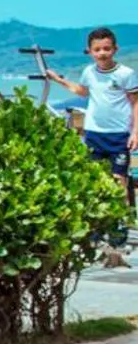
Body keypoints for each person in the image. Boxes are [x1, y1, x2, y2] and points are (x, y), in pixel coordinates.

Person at [48, 27, 138, 222]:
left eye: (106, 48)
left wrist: (135, 132)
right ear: (89, 51)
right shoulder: (88, 71)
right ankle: (96, 223)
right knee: (93, 178)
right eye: (97, 50)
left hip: (119, 134)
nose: (102, 53)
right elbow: (82, 91)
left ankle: (119, 222)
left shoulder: (126, 73)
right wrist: (58, 80)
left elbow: (135, 102)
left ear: (115, 49)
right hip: (94, 133)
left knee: (118, 181)